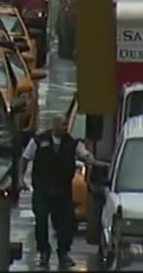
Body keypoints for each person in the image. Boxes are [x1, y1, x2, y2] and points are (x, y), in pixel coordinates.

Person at [20, 114, 95, 268]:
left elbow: (85, 155)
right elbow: (25, 158)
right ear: (54, 125)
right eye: (62, 124)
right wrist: (21, 178)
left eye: (66, 124)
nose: (65, 127)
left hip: (62, 190)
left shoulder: (72, 143)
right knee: (41, 221)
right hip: (42, 190)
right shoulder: (39, 141)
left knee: (66, 223)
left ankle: (63, 252)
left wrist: (90, 159)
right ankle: (44, 253)